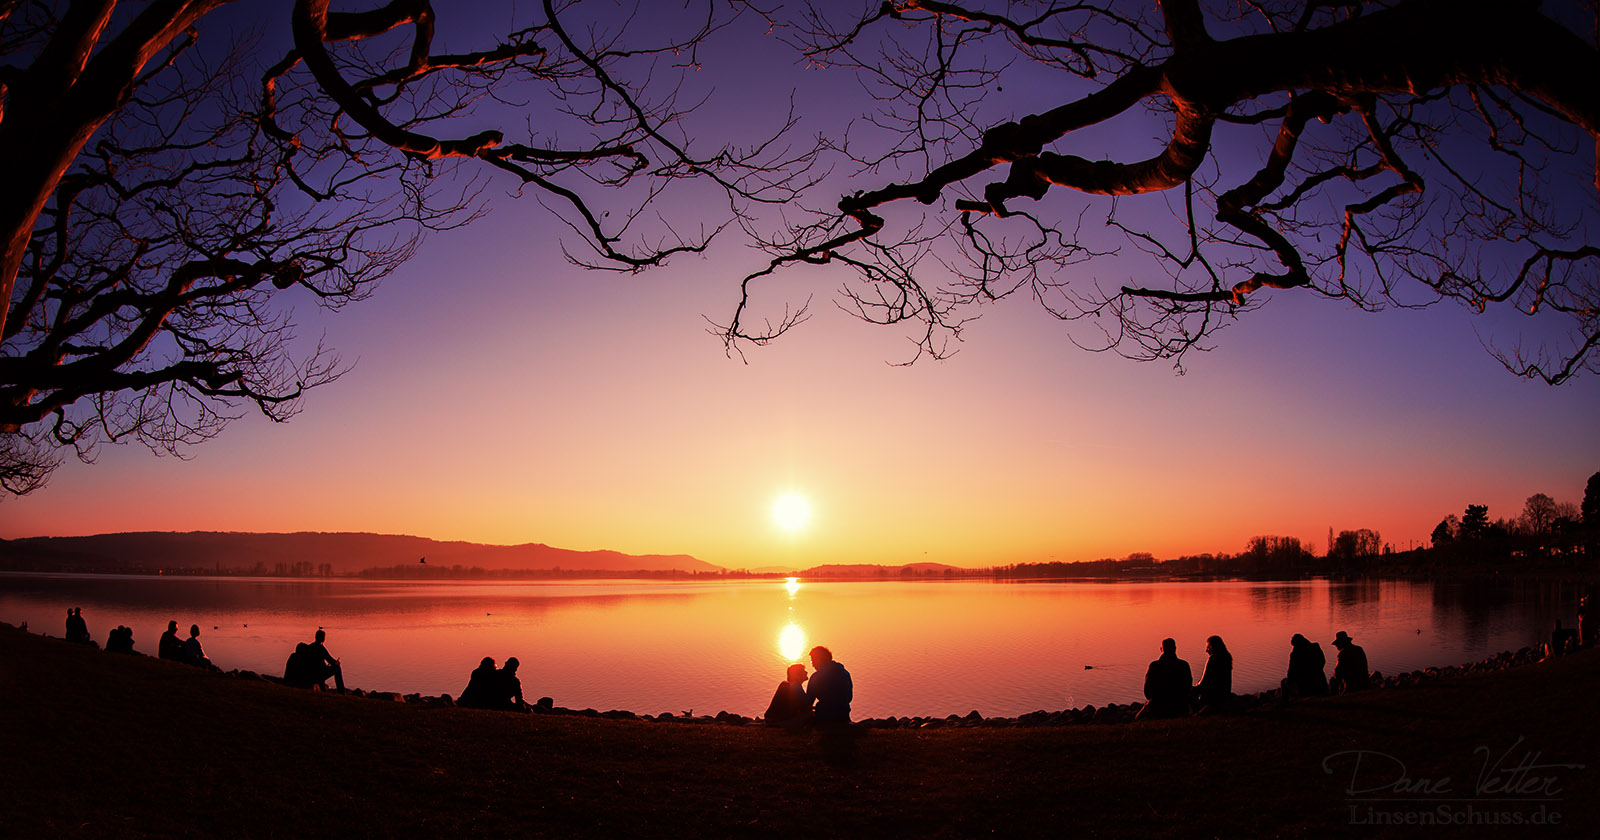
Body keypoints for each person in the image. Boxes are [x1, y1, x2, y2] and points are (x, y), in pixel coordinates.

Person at [1137, 637, 1192, 720]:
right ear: (1175, 648)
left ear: (1161, 649)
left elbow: (1147, 692)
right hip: (1180, 705)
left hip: (1158, 706)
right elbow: (1188, 687)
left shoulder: (1154, 666)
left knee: (1137, 718)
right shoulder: (1184, 665)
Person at [806, 646, 852, 726]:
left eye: (813, 660)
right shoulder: (845, 673)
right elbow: (849, 698)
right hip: (843, 715)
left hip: (825, 716)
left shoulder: (816, 677)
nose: (812, 665)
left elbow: (808, 702)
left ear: (819, 659)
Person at [763, 663, 812, 727]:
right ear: (797, 675)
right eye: (803, 671)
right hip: (779, 720)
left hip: (772, 718)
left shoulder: (788, 685)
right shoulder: (795, 686)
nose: (806, 672)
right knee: (810, 715)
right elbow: (806, 705)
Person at [1192, 635, 1232, 713]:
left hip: (1213, 697)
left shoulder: (1212, 660)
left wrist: (1196, 686)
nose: (1206, 651)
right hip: (1224, 694)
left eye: (1208, 647)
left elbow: (1204, 682)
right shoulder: (1227, 658)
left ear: (1213, 647)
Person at [1281, 633, 1328, 699]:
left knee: (1284, 682)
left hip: (1305, 686)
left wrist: (1291, 681)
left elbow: (1291, 671)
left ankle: (1286, 701)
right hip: (1321, 682)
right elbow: (1323, 661)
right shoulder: (1315, 648)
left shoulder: (1295, 654)